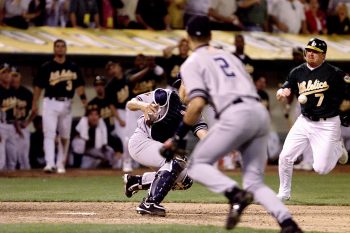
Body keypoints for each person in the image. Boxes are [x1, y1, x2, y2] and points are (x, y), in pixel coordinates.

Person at [161, 16, 303, 232]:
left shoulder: (191, 62)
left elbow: (196, 102)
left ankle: (236, 195)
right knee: (254, 181)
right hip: (258, 112)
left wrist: (178, 137)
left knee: (198, 166)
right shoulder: (231, 57)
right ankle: (288, 224)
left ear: (188, 37)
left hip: (235, 113)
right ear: (210, 34)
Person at [276, 38, 349, 201]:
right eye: (309, 50)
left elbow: (347, 92)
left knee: (321, 169)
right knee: (285, 156)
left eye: (315, 52)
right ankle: (284, 193)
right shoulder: (297, 72)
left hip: (328, 123)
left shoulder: (334, 73)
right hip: (304, 121)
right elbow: (286, 87)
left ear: (323, 55)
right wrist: (282, 92)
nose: (310, 53)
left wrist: (346, 113)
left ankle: (337, 148)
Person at [125, 86, 208, 216]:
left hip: (159, 148)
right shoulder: (164, 96)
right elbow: (131, 104)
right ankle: (149, 203)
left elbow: (204, 135)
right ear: (181, 84)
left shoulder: (195, 113)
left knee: (185, 180)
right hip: (140, 142)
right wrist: (143, 105)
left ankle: (136, 181)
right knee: (176, 160)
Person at [32, 39, 87, 174]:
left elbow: (79, 86)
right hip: (50, 102)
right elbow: (38, 87)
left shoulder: (73, 66)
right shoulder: (47, 66)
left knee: (64, 135)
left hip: (67, 102)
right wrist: (35, 103)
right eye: (58, 46)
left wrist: (84, 100)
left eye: (62, 46)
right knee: (49, 133)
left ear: (66, 49)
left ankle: (60, 163)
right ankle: (50, 163)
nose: (60, 48)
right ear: (54, 49)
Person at [87, 75, 123, 168]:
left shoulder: (111, 100)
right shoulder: (92, 104)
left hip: (112, 134)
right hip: (97, 136)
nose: (99, 87)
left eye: (102, 85)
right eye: (97, 85)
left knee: (118, 162)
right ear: (95, 87)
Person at [8, 66, 36, 170]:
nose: (13, 78)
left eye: (16, 76)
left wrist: (27, 122)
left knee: (23, 157)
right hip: (8, 125)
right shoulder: (5, 91)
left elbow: (35, 110)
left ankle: (27, 180)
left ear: (20, 77)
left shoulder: (27, 93)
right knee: (10, 157)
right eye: (11, 76)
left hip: (22, 125)